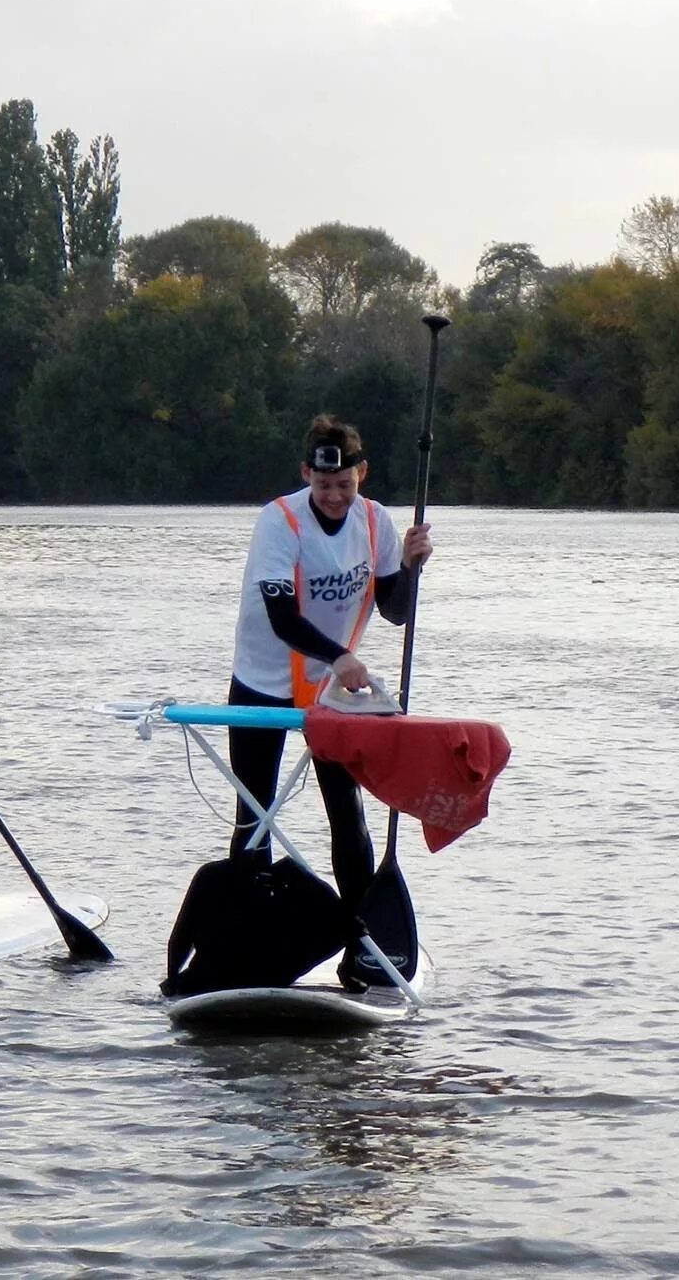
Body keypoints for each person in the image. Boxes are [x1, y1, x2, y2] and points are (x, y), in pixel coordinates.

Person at [227, 413, 432, 981]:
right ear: (305, 476)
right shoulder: (280, 520)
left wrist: (412, 570)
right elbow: (280, 616)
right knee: (256, 816)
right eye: (323, 487)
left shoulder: (375, 522)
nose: (335, 497)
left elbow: (394, 611)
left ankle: (362, 943)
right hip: (263, 683)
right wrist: (341, 657)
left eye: (345, 484)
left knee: (347, 813)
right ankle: (249, 947)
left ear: (361, 474)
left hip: (331, 693)